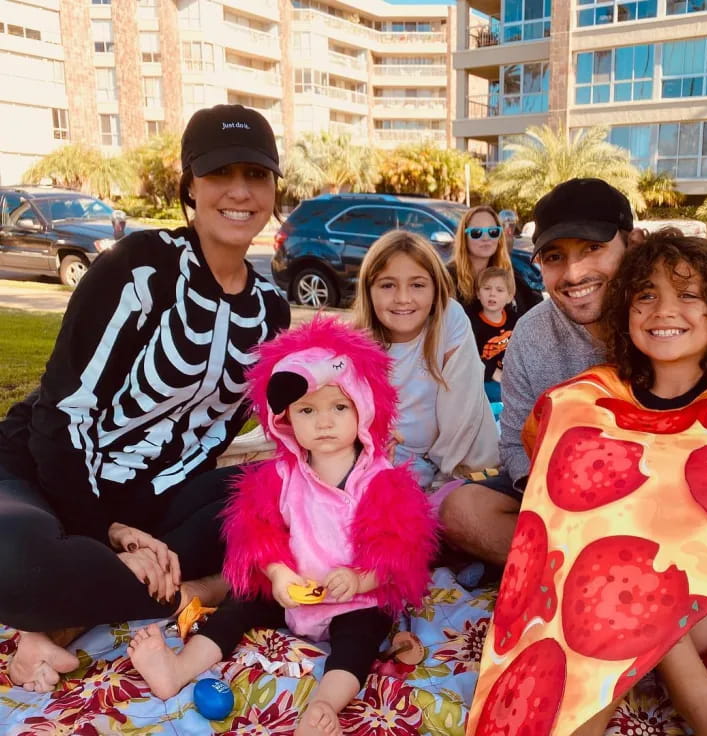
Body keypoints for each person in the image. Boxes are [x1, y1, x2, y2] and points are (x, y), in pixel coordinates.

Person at [466, 230, 707, 736]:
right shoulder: (586, 400)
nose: (663, 311)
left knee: (645, 562)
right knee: (609, 551)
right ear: (625, 312)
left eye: (688, 295)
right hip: (601, 591)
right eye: (645, 295)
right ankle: (685, 701)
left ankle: (691, 707)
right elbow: (558, 506)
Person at [0, 104, 290, 693]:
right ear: (190, 185)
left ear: (273, 188)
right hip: (43, 469)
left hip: (154, 498)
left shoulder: (271, 312)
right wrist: (107, 533)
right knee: (14, 562)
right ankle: (149, 590)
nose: (240, 191)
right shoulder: (139, 269)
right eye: (220, 173)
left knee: (275, 504)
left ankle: (59, 624)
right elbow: (61, 416)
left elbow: (220, 433)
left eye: (256, 175)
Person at [128, 317, 437, 736]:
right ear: (286, 419)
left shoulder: (381, 480)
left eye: (339, 408)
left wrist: (362, 580)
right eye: (308, 411)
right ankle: (177, 668)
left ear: (363, 408)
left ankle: (324, 706)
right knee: (237, 606)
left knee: (359, 642)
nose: (324, 422)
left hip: (355, 599)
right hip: (293, 591)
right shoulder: (281, 477)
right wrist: (276, 573)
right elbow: (259, 534)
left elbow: (401, 550)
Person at [439, 178, 644, 564]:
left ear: (632, 245)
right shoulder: (531, 334)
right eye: (554, 257)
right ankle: (582, 568)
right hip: (557, 495)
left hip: (656, 491)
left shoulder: (661, 321)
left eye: (593, 248)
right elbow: (516, 444)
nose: (573, 273)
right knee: (460, 511)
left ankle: (574, 567)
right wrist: (561, 503)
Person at [353, 230, 499, 491]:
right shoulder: (354, 341)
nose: (403, 298)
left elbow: (462, 409)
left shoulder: (449, 318)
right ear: (369, 290)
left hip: (459, 458)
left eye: (417, 285)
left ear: (435, 289)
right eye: (387, 285)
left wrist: (445, 478)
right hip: (388, 459)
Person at [447, 205, 541, 316]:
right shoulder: (447, 279)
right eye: (476, 232)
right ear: (464, 237)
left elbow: (532, 312)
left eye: (493, 232)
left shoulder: (509, 274)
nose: (486, 238)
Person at [468, 267, 518, 404]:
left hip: (511, 373)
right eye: (487, 288)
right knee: (497, 394)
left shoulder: (515, 320)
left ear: (509, 297)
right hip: (486, 378)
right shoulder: (472, 325)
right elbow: (469, 359)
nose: (492, 294)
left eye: (499, 290)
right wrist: (492, 372)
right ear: (478, 293)